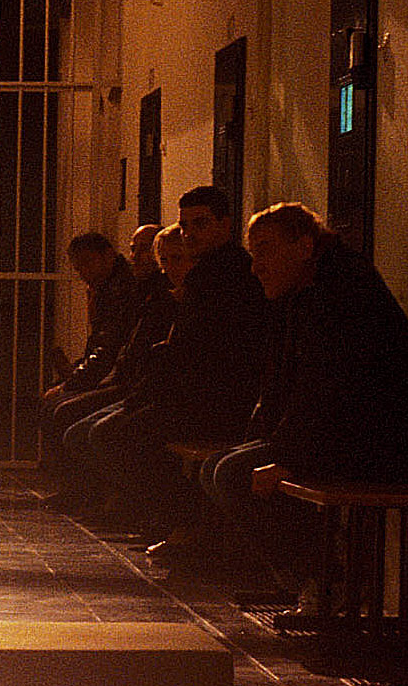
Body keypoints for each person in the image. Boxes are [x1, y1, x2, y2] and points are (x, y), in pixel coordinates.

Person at [203, 201, 408, 606]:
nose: (255, 267)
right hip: (338, 437)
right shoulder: (304, 290)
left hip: (379, 445)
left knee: (234, 474)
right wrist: (266, 441)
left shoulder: (341, 294)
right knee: (219, 466)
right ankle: (308, 576)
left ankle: (325, 579)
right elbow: (285, 386)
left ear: (303, 247)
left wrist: (287, 457)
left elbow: (333, 394)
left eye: (265, 250)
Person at [79, 188, 273, 561]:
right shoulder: (204, 275)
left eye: (201, 224)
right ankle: (176, 523)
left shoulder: (228, 275)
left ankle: (184, 525)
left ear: (225, 225)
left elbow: (205, 351)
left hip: (219, 400)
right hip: (194, 393)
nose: (190, 234)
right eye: (185, 226)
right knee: (115, 430)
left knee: (122, 435)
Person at [35, 230, 148, 509]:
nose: (83, 273)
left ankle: (84, 491)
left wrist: (73, 382)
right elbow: (102, 343)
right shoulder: (110, 287)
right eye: (78, 267)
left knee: (62, 410)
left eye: (87, 263)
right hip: (116, 372)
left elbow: (108, 347)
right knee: (55, 406)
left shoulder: (121, 290)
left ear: (108, 255)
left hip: (122, 377)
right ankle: (79, 489)